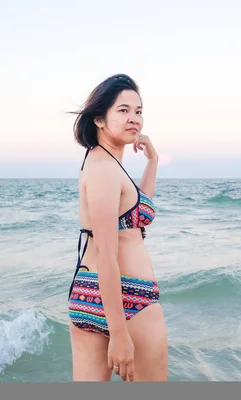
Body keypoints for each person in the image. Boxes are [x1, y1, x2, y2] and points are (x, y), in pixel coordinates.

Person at [66, 74, 168, 382]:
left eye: (138, 111)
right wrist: (119, 333)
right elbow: (106, 253)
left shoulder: (102, 164)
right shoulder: (105, 169)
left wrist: (153, 162)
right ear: (99, 118)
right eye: (123, 110)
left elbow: (135, 214)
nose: (134, 118)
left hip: (86, 293)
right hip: (128, 299)